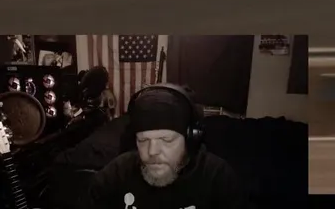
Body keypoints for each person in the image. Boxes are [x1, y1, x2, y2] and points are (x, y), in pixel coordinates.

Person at [86, 85, 248, 209]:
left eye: (166, 139)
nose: (152, 151)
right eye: (143, 140)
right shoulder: (115, 175)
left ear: (190, 139)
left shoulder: (218, 179)